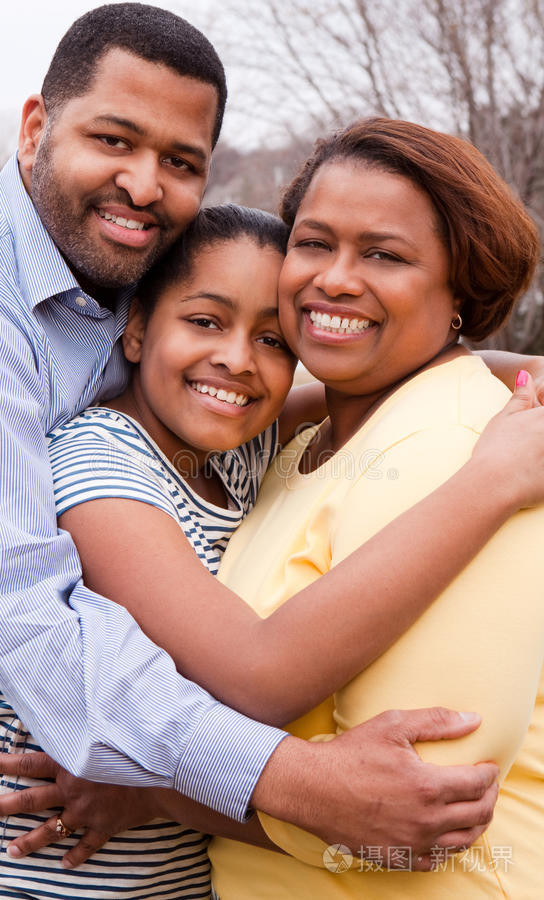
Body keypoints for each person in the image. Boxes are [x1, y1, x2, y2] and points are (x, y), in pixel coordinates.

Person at [0, 1, 537, 885]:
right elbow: (37, 632)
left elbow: (264, 398)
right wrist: (294, 782)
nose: (145, 186)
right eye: (113, 140)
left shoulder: (132, 285)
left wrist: (482, 361)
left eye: (180, 162)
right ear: (35, 127)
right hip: (32, 857)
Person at [201, 119, 544, 897]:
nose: (335, 279)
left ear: (460, 284)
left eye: (383, 255)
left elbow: (419, 804)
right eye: (315, 243)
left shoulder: (465, 448)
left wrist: (145, 792)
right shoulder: (300, 444)